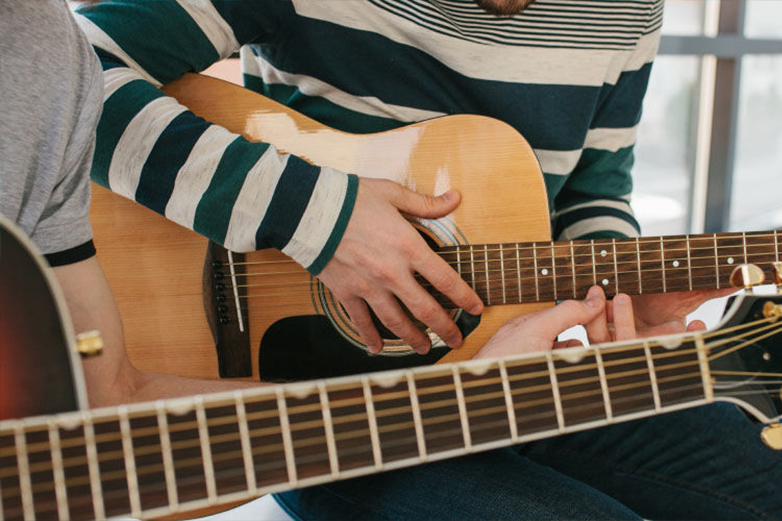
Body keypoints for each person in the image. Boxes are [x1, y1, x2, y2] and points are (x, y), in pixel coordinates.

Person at [61, 1, 782, 519]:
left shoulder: (625, 12)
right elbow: (68, 76)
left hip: (525, 381)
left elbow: (594, 191)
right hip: (324, 408)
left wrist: (616, 288)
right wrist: (318, 219)